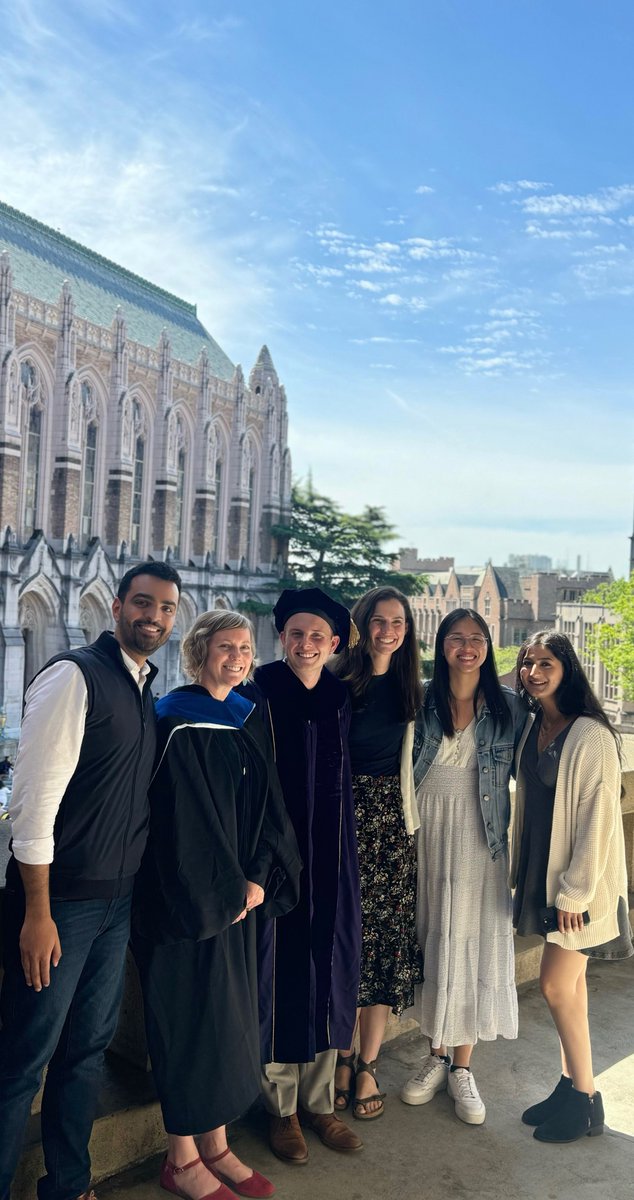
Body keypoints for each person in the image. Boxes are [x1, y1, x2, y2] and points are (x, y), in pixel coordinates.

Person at [0, 561, 182, 1200]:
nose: (152, 617)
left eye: (164, 608)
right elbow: (33, 804)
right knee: (23, 1059)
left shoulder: (142, 686)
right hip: (62, 906)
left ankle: (69, 1185)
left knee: (86, 1053)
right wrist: (37, 913)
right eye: (142, 603)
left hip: (116, 901)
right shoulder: (74, 676)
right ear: (116, 607)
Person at [132, 610, 302, 1200]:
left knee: (226, 1023)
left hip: (236, 898)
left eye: (245, 647)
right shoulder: (173, 718)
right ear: (199, 651)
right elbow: (182, 826)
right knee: (186, 1024)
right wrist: (221, 890)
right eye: (225, 646)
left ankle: (217, 1146)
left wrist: (257, 878)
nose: (237, 656)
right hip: (184, 904)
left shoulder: (246, 714)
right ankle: (181, 1159)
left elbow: (267, 810)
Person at [246, 588, 363, 1164]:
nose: (306, 644)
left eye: (318, 636)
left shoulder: (341, 696)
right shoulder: (260, 689)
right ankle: (281, 1108)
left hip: (331, 853)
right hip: (277, 854)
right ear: (281, 638)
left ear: (334, 644)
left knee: (326, 970)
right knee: (278, 974)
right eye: (296, 633)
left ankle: (321, 1104)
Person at [401, 608, 525, 1124]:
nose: (467, 647)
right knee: (434, 930)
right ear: (441, 643)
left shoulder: (511, 706)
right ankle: (433, 1056)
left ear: (489, 645)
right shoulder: (420, 695)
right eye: (457, 638)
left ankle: (463, 1068)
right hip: (426, 826)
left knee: (470, 935)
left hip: (482, 829)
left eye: (477, 638)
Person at [511, 631, 633, 1143]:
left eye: (547, 664)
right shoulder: (537, 722)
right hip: (544, 873)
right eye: (527, 663)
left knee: (556, 985)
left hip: (574, 887)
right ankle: (570, 1086)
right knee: (574, 989)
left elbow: (600, 822)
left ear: (568, 670)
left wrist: (574, 894)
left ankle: (585, 1103)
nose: (534, 672)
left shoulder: (590, 734)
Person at [331, 586, 423, 1120]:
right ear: (361, 625)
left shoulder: (414, 687)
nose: (388, 630)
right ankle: (341, 1052)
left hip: (393, 823)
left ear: (407, 630)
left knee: (386, 940)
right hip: (343, 818)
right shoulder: (339, 680)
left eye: (398, 622)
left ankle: (368, 1062)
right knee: (347, 937)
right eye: (379, 621)